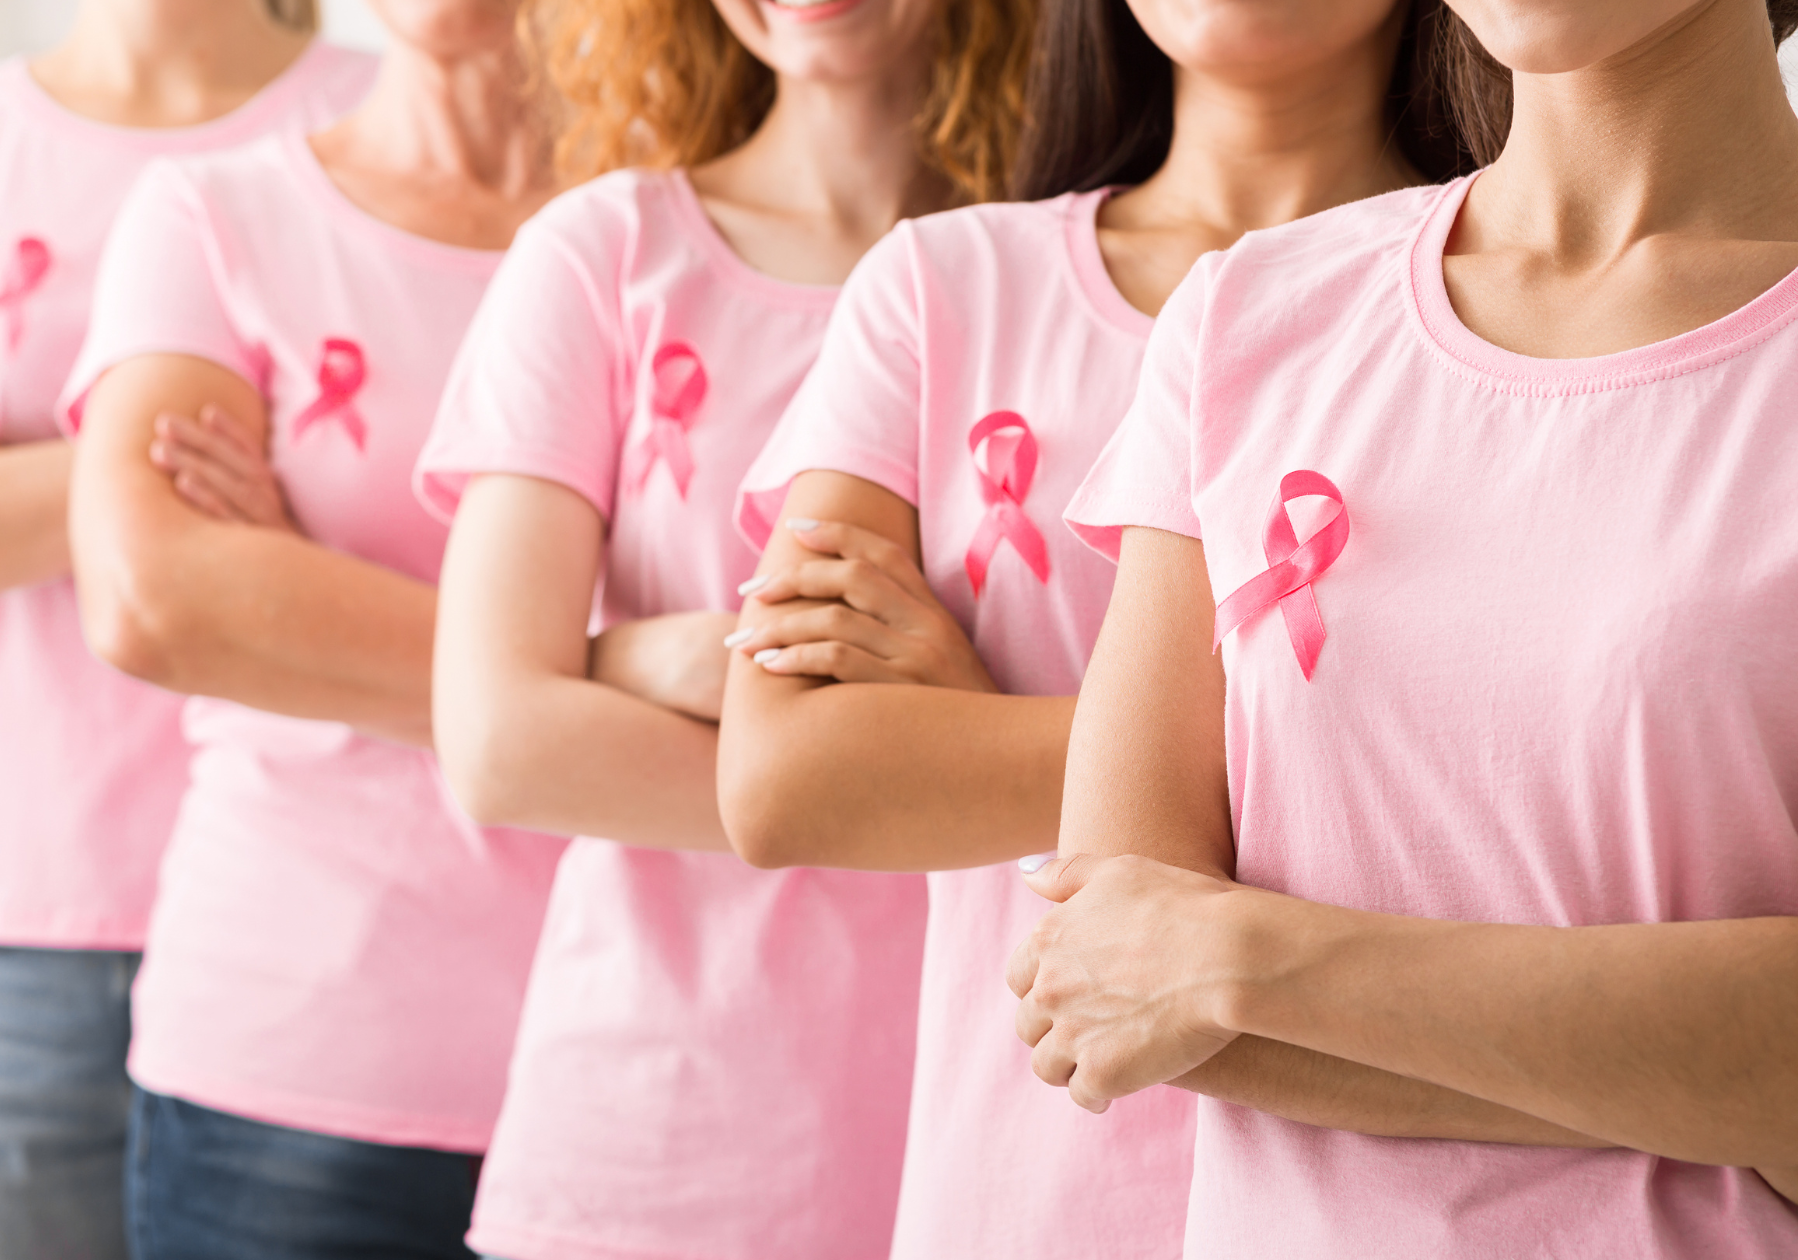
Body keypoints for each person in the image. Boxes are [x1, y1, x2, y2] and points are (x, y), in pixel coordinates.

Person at [716, 1, 1500, 1253]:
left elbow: (1517, 795)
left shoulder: (1513, 319)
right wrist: (1317, 760)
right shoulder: (942, 284)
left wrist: (985, 736)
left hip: (1392, 1197)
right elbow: (782, 781)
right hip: (1021, 1195)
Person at [1032, 0, 1798, 1254]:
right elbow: (1105, 973)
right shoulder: (1244, 320)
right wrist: (1702, 1073)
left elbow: (1180, 967)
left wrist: (1248, 957)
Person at [414, 0, 1031, 1254]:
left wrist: (625, 669)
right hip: (647, 1152)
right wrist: (951, 776)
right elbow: (497, 742)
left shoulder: (1077, 274)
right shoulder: (600, 252)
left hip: (999, 1149)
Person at [0, 2, 373, 1254]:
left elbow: (440, 507)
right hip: (3, 922)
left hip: (325, 919)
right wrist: (205, 450)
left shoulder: (398, 112)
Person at [59, 0, 560, 1252]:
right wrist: (604, 667)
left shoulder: (688, 226)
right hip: (295, 1058)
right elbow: (153, 597)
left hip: (661, 1064)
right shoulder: (216, 215)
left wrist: (296, 590)